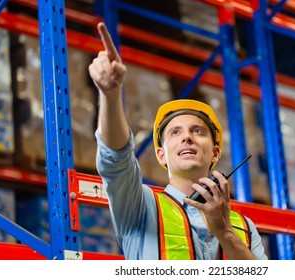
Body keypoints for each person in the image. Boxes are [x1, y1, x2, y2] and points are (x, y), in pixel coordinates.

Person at [89, 22, 267, 260]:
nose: (187, 137)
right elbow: (116, 158)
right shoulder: (140, 208)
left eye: (198, 131)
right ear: (161, 155)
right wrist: (110, 96)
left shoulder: (244, 228)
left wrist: (225, 232)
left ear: (215, 153)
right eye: (175, 132)